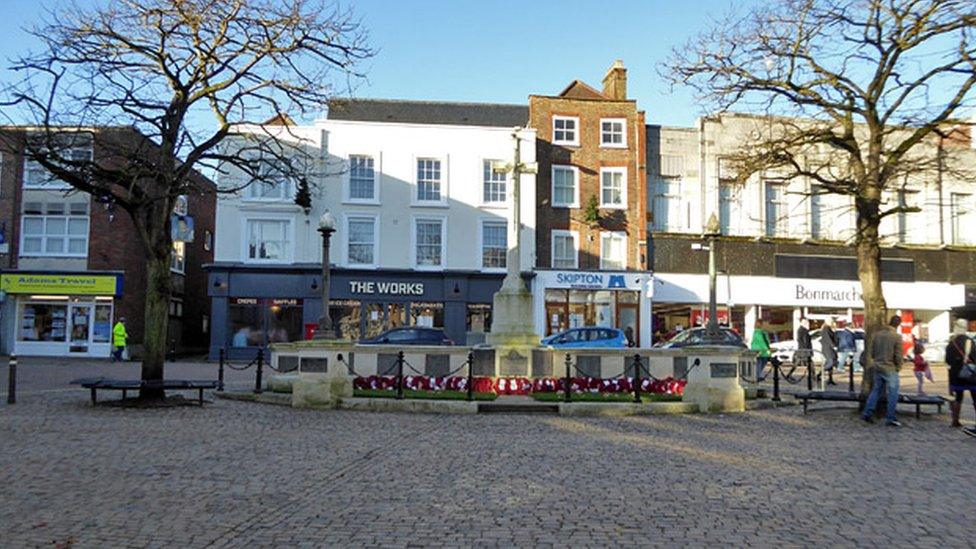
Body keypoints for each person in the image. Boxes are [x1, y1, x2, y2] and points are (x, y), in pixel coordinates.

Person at [861, 315, 905, 427]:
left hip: (877, 366)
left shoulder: (877, 335)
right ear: (898, 324)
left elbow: (872, 352)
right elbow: (898, 354)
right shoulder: (896, 337)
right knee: (893, 394)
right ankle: (890, 417)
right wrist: (899, 366)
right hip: (890, 368)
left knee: (876, 391)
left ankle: (867, 412)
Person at [944, 318, 976, 432]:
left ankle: (955, 420)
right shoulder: (970, 341)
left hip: (956, 374)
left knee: (957, 397)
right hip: (971, 373)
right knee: (975, 397)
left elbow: (947, 360)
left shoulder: (951, 342)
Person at [820, 318, 838, 385]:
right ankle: (820, 373)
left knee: (830, 363)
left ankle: (830, 379)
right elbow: (828, 339)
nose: (832, 322)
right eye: (831, 321)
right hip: (827, 348)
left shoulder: (830, 329)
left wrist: (834, 331)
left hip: (830, 348)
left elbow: (834, 338)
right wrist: (833, 346)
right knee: (830, 362)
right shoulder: (826, 329)